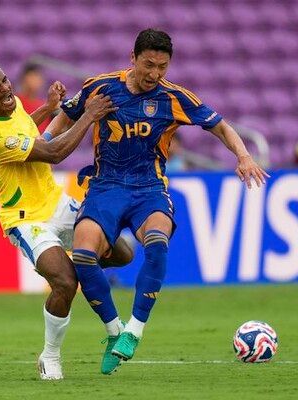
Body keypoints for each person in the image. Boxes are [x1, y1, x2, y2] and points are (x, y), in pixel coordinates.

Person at [46, 28, 269, 375]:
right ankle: (114, 330)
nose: (154, 74)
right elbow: (66, 115)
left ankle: (134, 331)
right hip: (105, 187)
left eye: (162, 67)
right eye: (148, 65)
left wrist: (244, 156)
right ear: (133, 58)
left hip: (149, 188)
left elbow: (222, 127)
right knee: (85, 255)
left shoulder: (173, 97)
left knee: (156, 242)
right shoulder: (100, 87)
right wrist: (43, 143)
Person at [0, 62, 133, 380]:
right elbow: (54, 152)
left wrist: (47, 108)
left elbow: (23, 130)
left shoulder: (11, 106)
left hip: (57, 203)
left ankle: (85, 274)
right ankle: (50, 356)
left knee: (122, 253)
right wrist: (88, 115)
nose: (5, 88)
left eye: (5, 80)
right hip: (26, 219)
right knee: (65, 283)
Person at [16, 63, 52, 132]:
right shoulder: (15, 102)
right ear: (23, 79)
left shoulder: (44, 105)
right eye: (32, 77)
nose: (35, 81)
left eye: (38, 77)